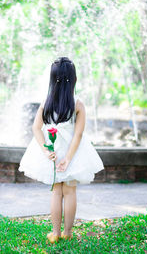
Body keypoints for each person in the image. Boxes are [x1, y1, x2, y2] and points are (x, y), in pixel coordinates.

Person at [18, 57, 104, 243]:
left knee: (56, 192)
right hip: (72, 153)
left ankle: (55, 233)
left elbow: (36, 128)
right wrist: (69, 158)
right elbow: (78, 135)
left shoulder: (45, 103)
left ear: (51, 79)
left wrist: (46, 150)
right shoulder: (78, 104)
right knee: (70, 192)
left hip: (53, 152)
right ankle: (68, 232)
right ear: (74, 80)